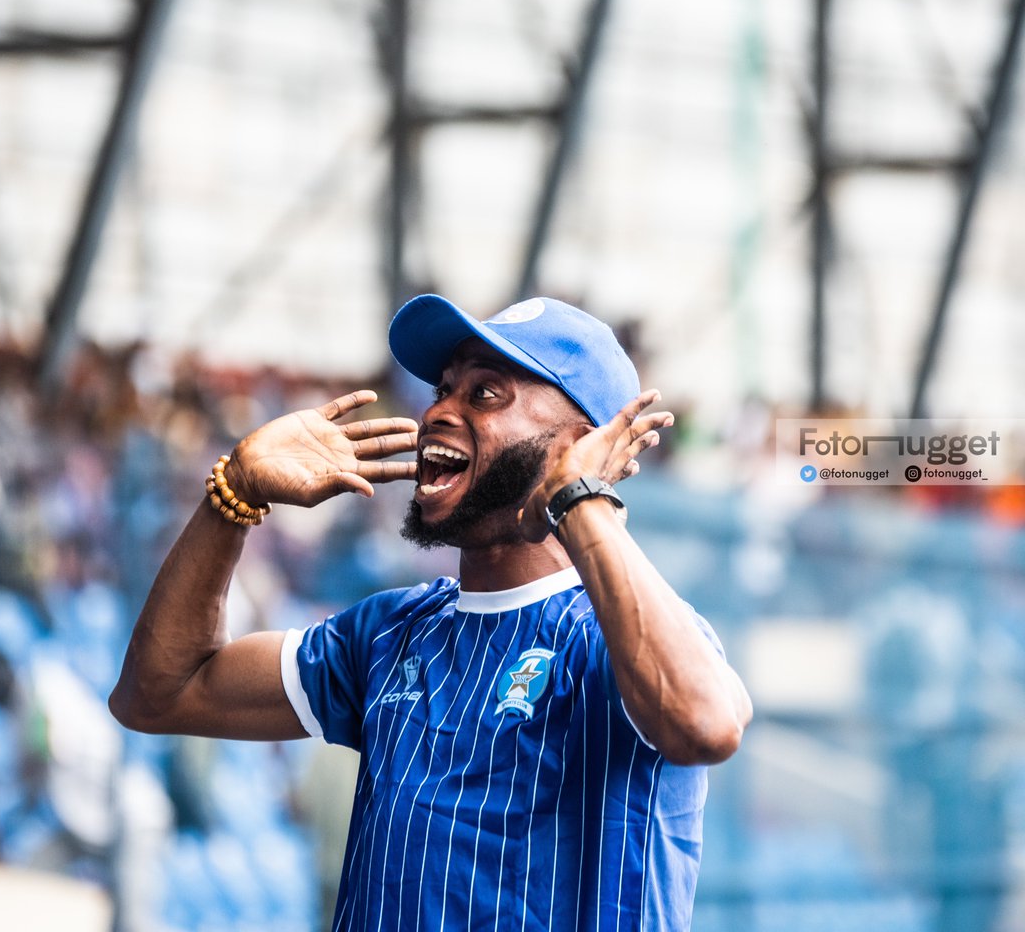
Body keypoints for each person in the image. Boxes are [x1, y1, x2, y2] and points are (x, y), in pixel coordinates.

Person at [111, 294, 753, 932]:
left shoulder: (625, 639)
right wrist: (234, 496)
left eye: (485, 394)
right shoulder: (387, 634)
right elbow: (159, 694)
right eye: (443, 389)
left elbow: (704, 726)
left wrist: (581, 498)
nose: (438, 411)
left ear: (581, 443)